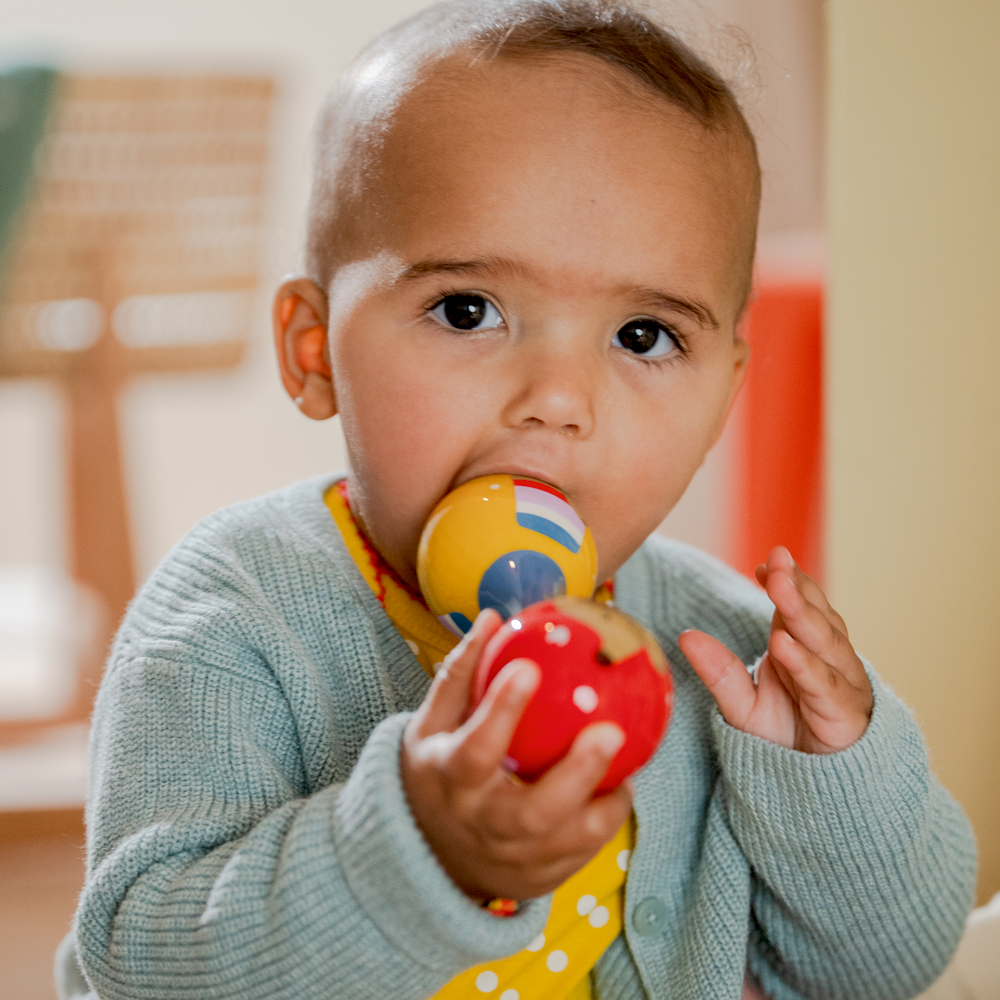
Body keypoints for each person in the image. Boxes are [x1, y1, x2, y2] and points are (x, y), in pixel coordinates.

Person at [56, 2, 977, 998]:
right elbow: (143, 964)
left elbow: (892, 964)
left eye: (642, 336)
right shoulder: (232, 617)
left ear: (723, 398)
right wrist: (417, 852)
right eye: (468, 311)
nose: (557, 400)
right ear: (314, 349)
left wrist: (828, 786)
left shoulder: (728, 655)